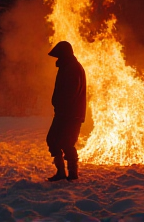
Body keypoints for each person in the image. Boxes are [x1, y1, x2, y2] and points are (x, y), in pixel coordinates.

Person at [46, 41, 86, 181]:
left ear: (64, 55)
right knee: (53, 139)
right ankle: (61, 173)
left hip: (71, 114)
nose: (57, 59)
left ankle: (73, 174)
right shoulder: (66, 67)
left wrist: (61, 105)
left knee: (66, 142)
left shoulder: (73, 68)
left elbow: (71, 93)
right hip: (63, 112)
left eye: (59, 56)